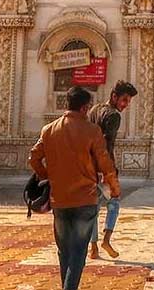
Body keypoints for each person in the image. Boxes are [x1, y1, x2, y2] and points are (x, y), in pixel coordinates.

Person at [29, 86, 119, 290]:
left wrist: (47, 176)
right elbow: (105, 165)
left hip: (59, 199)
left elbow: (33, 158)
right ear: (85, 107)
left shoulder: (49, 129)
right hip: (85, 199)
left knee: (65, 251)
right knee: (79, 251)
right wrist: (114, 187)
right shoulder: (92, 131)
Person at [88, 80, 137, 260]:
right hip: (104, 167)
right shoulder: (113, 116)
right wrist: (107, 172)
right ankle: (106, 240)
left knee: (93, 207)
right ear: (114, 96)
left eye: (128, 101)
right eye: (124, 100)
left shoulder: (94, 110)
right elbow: (105, 145)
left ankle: (93, 248)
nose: (125, 105)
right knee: (114, 202)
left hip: (89, 166)